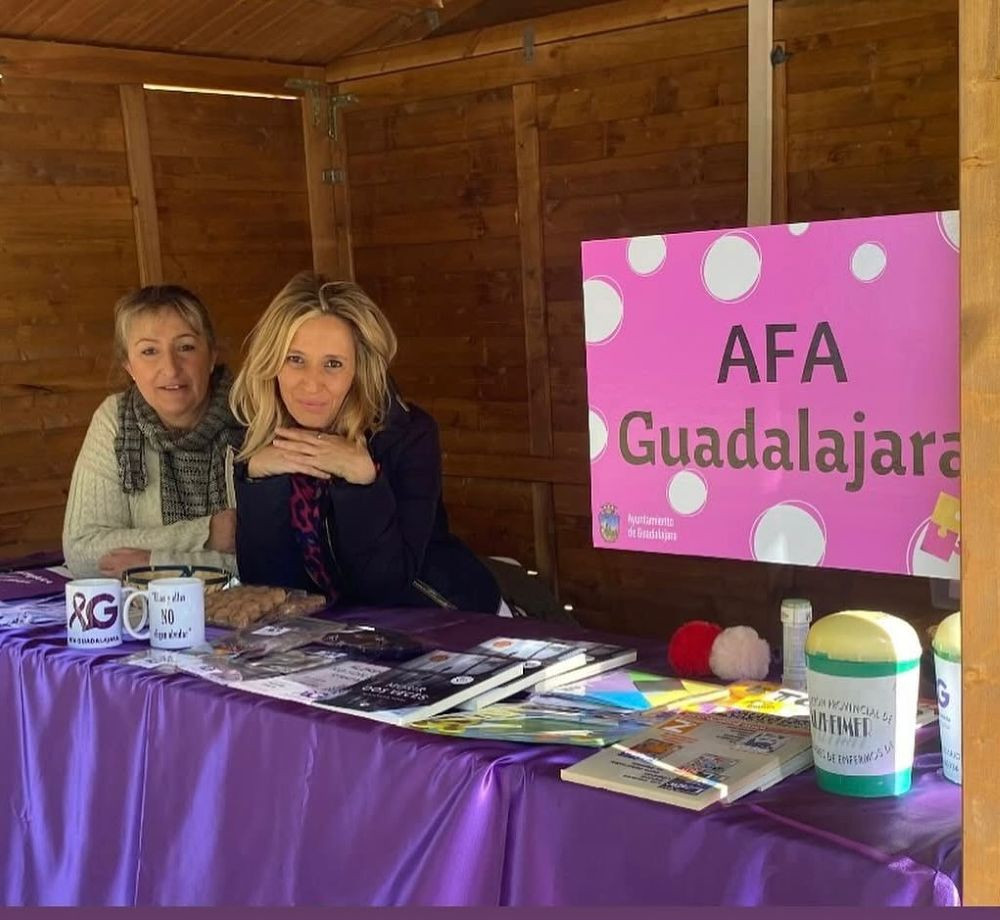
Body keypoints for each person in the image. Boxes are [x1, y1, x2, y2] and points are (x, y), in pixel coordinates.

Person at [229, 271, 502, 613]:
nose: (311, 385)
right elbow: (270, 588)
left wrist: (360, 482)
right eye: (295, 359)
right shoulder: (258, 435)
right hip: (334, 637)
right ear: (271, 363)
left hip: (445, 618)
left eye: (333, 364)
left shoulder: (406, 435)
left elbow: (386, 586)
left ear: (359, 370)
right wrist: (260, 480)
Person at [62, 285, 243, 578]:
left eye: (185, 347)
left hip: (247, 612)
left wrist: (153, 562)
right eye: (149, 351)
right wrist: (206, 533)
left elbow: (267, 561)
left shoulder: (250, 417)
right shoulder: (115, 420)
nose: (170, 369)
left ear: (211, 356)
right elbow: (82, 552)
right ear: (129, 367)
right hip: (145, 616)